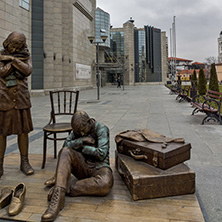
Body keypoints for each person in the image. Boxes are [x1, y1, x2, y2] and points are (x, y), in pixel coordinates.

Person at [41, 110, 113, 222]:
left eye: (83, 131)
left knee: (106, 183)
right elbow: (65, 145)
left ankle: (63, 188)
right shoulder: (78, 131)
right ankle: (58, 198)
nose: (82, 133)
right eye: (79, 132)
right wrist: (81, 140)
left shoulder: (102, 129)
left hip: (99, 167)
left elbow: (101, 154)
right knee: (65, 152)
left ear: (89, 122)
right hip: (83, 165)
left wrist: (84, 148)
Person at [0, 32, 34, 178]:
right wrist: (14, 63)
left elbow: (27, 70)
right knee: (1, 132)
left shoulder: (25, 55)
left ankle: (24, 162)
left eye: (18, 46)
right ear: (7, 43)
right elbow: (1, 72)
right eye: (13, 46)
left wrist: (12, 60)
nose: (14, 49)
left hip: (21, 99)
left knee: (23, 131)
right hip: (4, 99)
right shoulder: (0, 55)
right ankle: (0, 165)